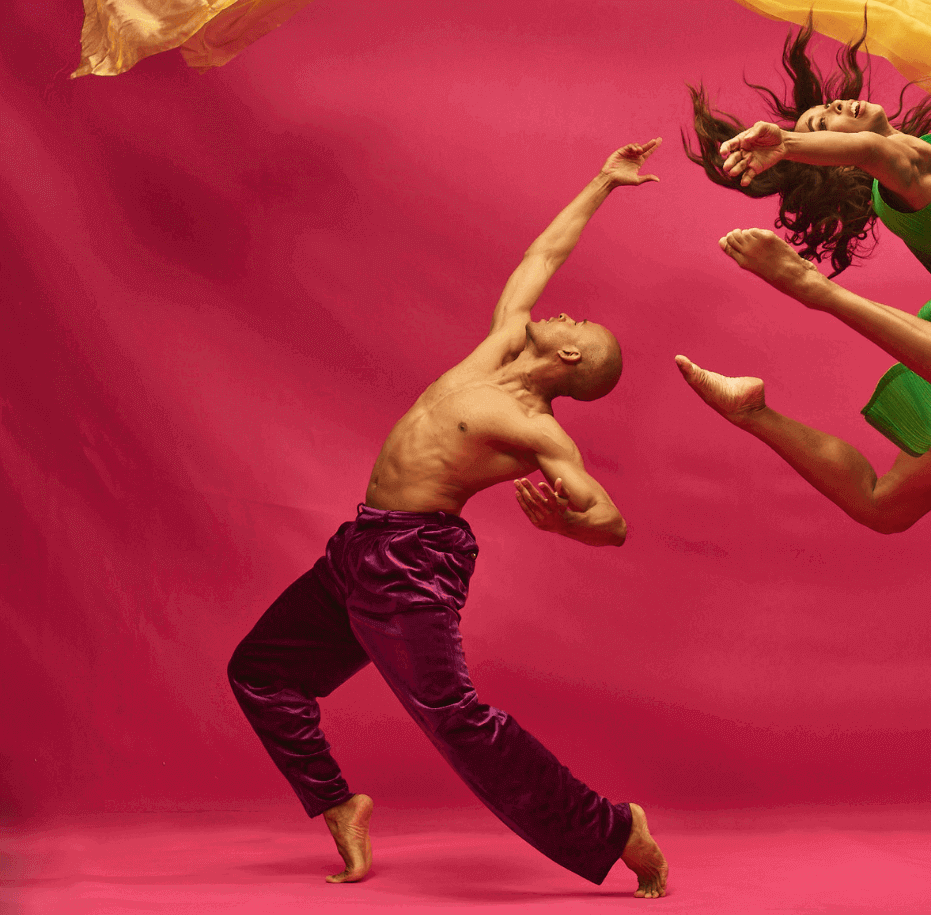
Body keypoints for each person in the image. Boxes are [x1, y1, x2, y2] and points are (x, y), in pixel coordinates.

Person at [226, 140, 669, 897]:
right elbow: (541, 257)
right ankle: (338, 803)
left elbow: (611, 519)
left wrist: (568, 524)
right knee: (261, 672)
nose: (566, 311)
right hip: (361, 545)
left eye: (578, 322)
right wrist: (602, 182)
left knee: (456, 719)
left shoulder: (536, 429)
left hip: (411, 562)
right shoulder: (498, 347)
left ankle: (617, 830)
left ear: (569, 356)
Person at [676, 24, 931, 533]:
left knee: (884, 508)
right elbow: (872, 152)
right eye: (824, 123)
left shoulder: (920, 163)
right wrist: (791, 142)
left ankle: (752, 408)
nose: (836, 106)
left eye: (827, 109)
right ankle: (810, 300)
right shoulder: (906, 173)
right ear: (840, 161)